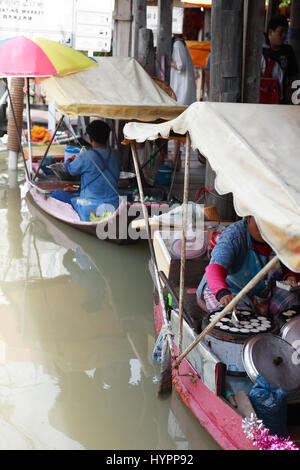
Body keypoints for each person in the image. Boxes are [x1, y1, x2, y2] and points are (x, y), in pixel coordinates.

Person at [197, 216, 300, 319]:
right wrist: (223, 293)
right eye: (260, 220)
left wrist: (291, 276)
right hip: (227, 290)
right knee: (240, 318)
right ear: (249, 216)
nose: (263, 228)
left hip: (264, 292)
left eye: (269, 222)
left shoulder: (282, 236)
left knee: (293, 304)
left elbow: (292, 262)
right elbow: (214, 269)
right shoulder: (234, 235)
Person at [64, 120, 121, 221]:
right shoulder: (116, 155)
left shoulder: (86, 156)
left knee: (57, 194)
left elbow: (70, 170)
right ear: (107, 137)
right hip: (114, 205)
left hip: (90, 207)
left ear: (90, 138)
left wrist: (68, 160)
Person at [170, 35, 196, 170]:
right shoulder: (179, 45)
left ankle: (179, 158)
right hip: (182, 90)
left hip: (182, 91)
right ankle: (178, 157)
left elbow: (180, 66)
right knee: (182, 125)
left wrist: (168, 62)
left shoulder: (177, 45)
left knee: (180, 125)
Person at [261, 15, 299, 104]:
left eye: (286, 32)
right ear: (270, 33)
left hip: (280, 99)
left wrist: (291, 96)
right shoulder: (260, 49)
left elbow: (293, 76)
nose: (284, 36)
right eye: (281, 32)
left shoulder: (288, 51)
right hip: (260, 98)